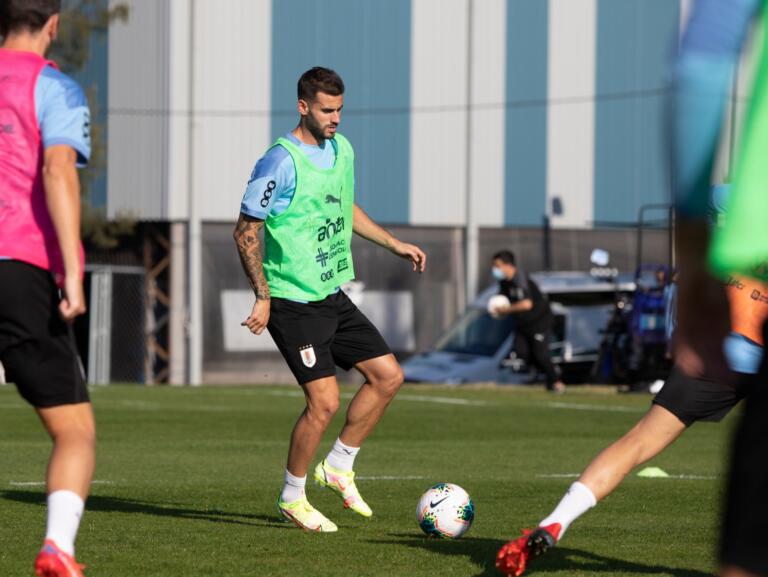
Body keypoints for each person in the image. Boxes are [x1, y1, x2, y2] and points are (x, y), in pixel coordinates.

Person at [498, 2, 768, 575]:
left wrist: (697, 270)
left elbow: (698, 66)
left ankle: (555, 520)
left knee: (646, 439)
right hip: (739, 339)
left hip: (730, 339)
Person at [233, 67, 426, 532]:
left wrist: (393, 243)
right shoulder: (278, 161)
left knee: (388, 377)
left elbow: (344, 206)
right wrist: (263, 296)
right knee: (323, 402)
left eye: (340, 109)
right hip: (292, 300)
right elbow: (245, 230)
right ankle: (292, 496)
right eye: (326, 110)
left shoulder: (342, 150)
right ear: (303, 107)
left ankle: (338, 467)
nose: (335, 118)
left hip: (330, 293)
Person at [0, 1, 93, 576]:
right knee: (74, 430)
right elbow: (58, 170)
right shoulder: (55, 87)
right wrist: (73, 271)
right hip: (21, 269)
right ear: (52, 25)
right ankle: (57, 547)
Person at [488, 250, 565, 393]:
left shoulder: (520, 279)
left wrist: (506, 310)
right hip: (523, 323)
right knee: (520, 352)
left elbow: (526, 304)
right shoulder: (504, 282)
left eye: (497, 266)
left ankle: (556, 381)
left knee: (541, 354)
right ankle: (547, 375)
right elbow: (502, 299)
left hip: (539, 321)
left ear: (507, 265)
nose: (495, 269)